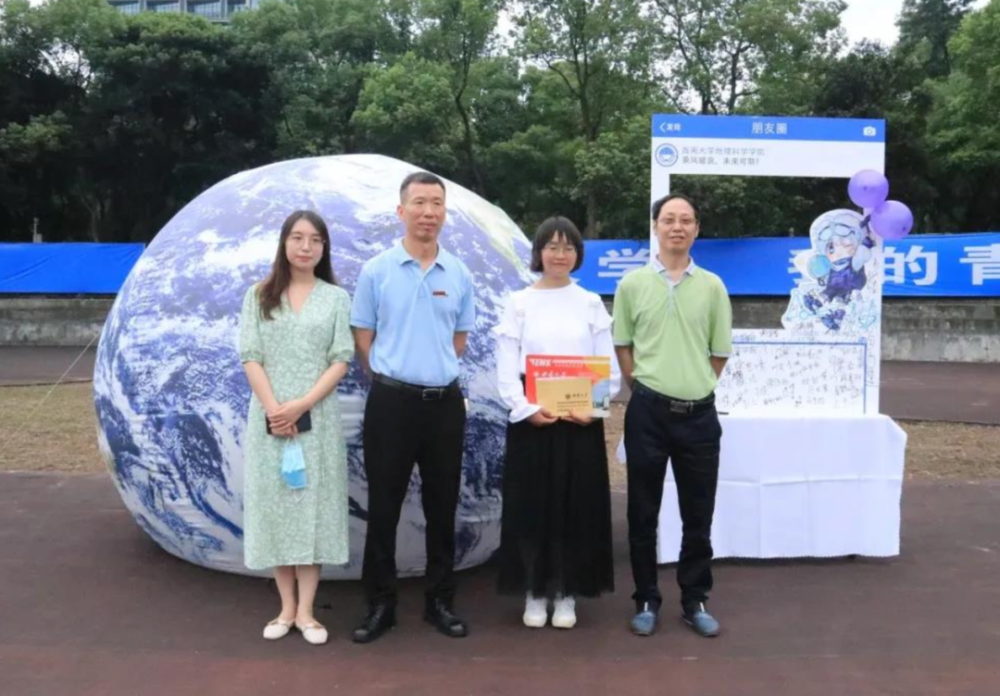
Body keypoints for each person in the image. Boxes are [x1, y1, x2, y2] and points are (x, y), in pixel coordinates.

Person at [350, 171, 476, 643]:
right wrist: (395, 374)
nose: (429, 212)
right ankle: (380, 605)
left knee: (443, 507)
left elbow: (458, 340)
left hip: (444, 405)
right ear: (401, 211)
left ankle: (440, 601)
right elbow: (364, 337)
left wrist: (430, 370)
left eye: (437, 203)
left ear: (445, 212)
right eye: (419, 202)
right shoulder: (377, 271)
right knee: (383, 506)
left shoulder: (458, 273)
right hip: (391, 404)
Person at [612, 193, 732, 638]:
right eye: (668, 219)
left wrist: (693, 385)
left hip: (699, 417)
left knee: (698, 514)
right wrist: (644, 387)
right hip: (647, 413)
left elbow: (719, 353)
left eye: (686, 220)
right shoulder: (632, 284)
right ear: (655, 226)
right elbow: (623, 344)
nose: (677, 227)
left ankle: (695, 598)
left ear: (696, 229)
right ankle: (646, 598)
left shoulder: (713, 287)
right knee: (642, 512)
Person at [494, 216, 619, 629]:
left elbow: (608, 368)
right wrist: (526, 409)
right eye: (552, 246)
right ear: (539, 253)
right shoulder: (519, 302)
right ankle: (534, 591)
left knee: (576, 506)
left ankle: (567, 593)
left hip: (579, 422)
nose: (560, 255)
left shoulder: (590, 302)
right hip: (533, 421)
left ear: (578, 254)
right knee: (532, 506)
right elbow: (506, 366)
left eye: (568, 247)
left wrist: (594, 408)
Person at [238, 210, 354, 646]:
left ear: (324, 248)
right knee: (276, 506)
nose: (306, 247)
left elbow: (340, 358)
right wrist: (275, 410)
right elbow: (250, 355)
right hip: (269, 420)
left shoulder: (335, 299)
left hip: (317, 418)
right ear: (284, 242)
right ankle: (285, 608)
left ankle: (307, 611)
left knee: (311, 508)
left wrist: (303, 403)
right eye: (298, 237)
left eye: (316, 240)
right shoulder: (258, 295)